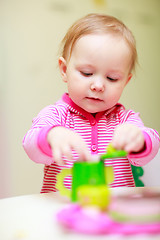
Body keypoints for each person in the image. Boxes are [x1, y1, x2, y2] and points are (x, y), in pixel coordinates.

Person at [23, 13, 159, 193]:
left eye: (112, 78)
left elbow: (150, 149)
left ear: (125, 81)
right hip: (62, 210)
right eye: (87, 73)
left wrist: (139, 139)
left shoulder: (125, 119)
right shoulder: (55, 115)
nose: (98, 85)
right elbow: (31, 146)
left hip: (114, 213)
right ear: (64, 70)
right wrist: (52, 135)